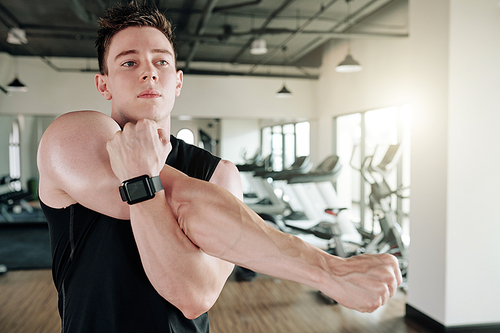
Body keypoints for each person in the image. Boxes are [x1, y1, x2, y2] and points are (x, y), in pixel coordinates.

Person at [37, 3, 402, 333]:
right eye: (129, 62)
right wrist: (331, 271)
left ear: (177, 82)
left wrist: (139, 181)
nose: (149, 72)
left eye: (161, 61)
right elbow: (187, 202)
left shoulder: (219, 173)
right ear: (104, 84)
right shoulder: (71, 138)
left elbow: (195, 295)